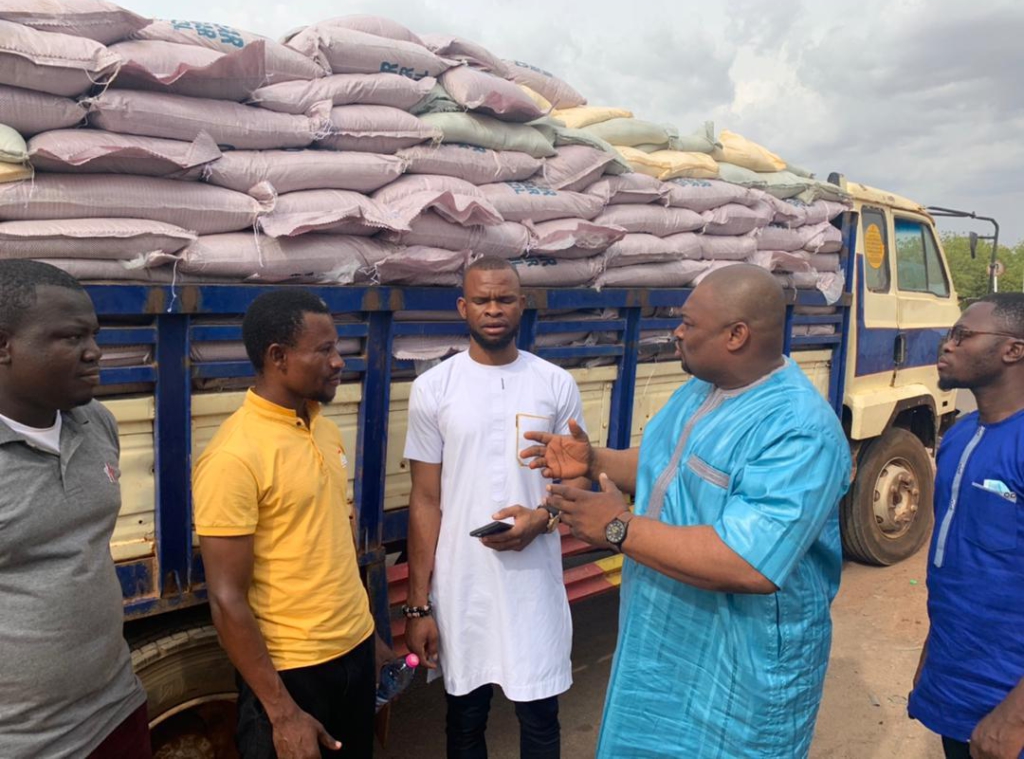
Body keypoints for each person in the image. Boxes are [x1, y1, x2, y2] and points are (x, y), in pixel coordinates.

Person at [525, 264, 852, 758]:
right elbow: (669, 469)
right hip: (667, 639)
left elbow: (748, 562)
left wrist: (618, 527)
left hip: (743, 666)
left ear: (736, 335)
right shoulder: (702, 388)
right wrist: (594, 460)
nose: (676, 332)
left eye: (688, 323)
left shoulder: (800, 429)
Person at [403, 256, 587, 759]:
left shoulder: (555, 384)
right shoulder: (433, 389)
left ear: (522, 305)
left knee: (541, 716)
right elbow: (425, 498)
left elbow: (578, 479)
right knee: (464, 718)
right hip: (463, 587)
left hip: (533, 583)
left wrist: (542, 520)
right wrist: (418, 605)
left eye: (504, 298)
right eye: (481, 299)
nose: (493, 309)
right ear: (463, 307)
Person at [193, 288, 385, 759]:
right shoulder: (234, 456)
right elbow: (226, 600)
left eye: (336, 347)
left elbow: (333, 542)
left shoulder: (325, 427)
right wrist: (281, 712)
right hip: (293, 674)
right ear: (277, 357)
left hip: (355, 652)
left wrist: (370, 635)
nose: (339, 361)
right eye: (324, 350)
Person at [0, 260, 150, 758]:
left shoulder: (95, 422)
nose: (94, 352)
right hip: (27, 742)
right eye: (70, 337)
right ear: (4, 346)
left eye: (94, 335)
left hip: (117, 707)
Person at [908, 294, 1024, 759]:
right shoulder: (959, 435)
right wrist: (931, 660)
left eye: (963, 335)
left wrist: (1014, 716)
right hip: (956, 688)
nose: (947, 344)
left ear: (1013, 350)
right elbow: (957, 565)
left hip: (1009, 701)